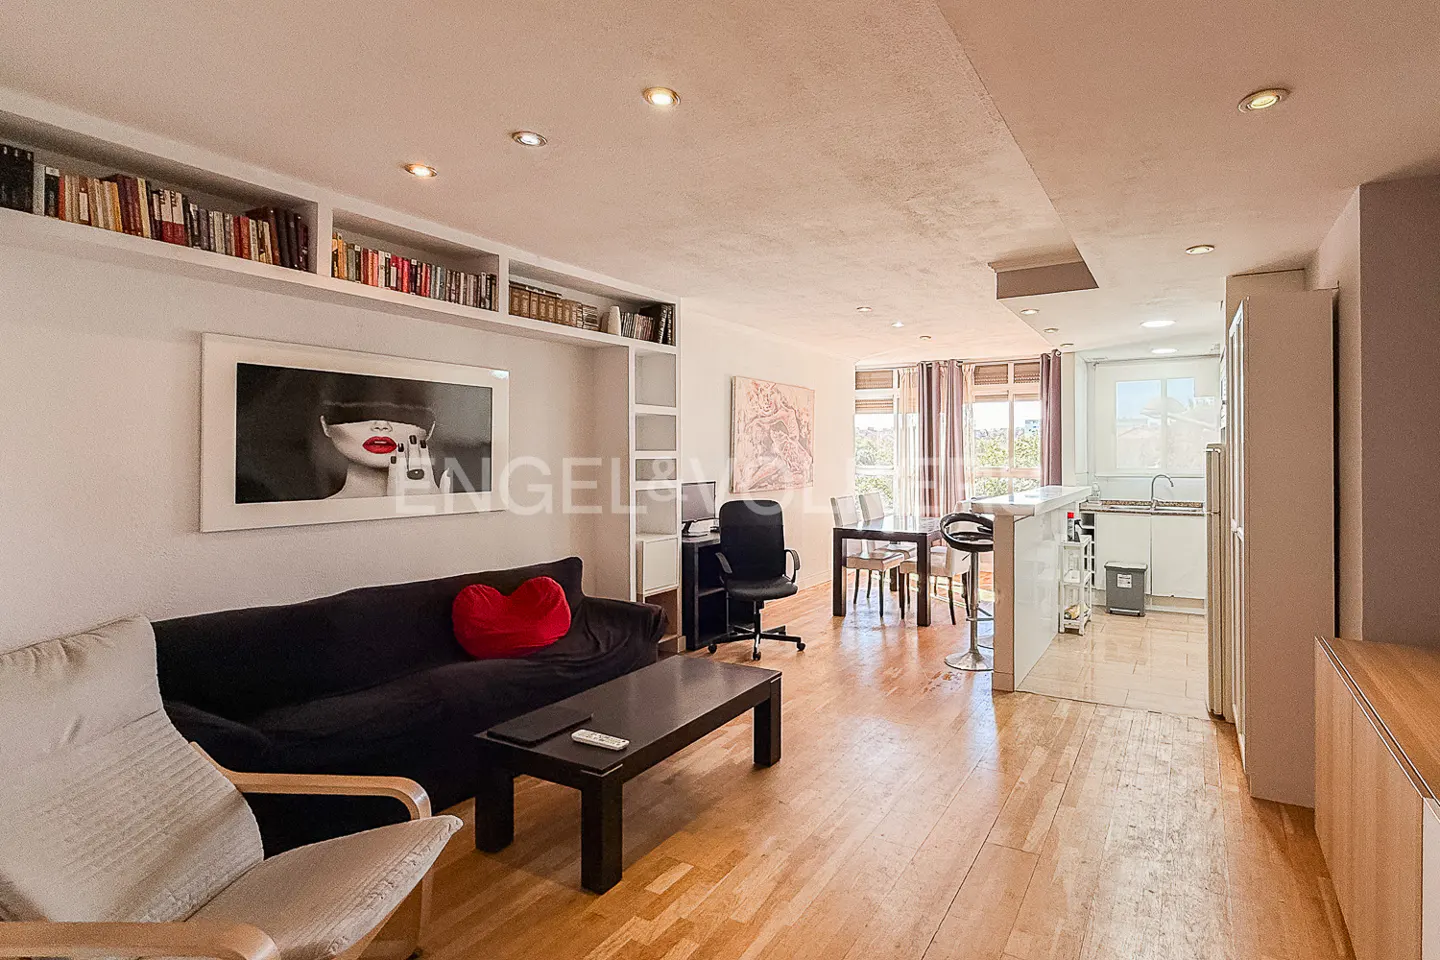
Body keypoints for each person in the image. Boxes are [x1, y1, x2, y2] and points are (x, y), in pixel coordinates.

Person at [319, 400, 452, 499]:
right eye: (358, 412)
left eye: (402, 413)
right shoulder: (309, 515)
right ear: (325, 425)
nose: (381, 425)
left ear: (430, 430)